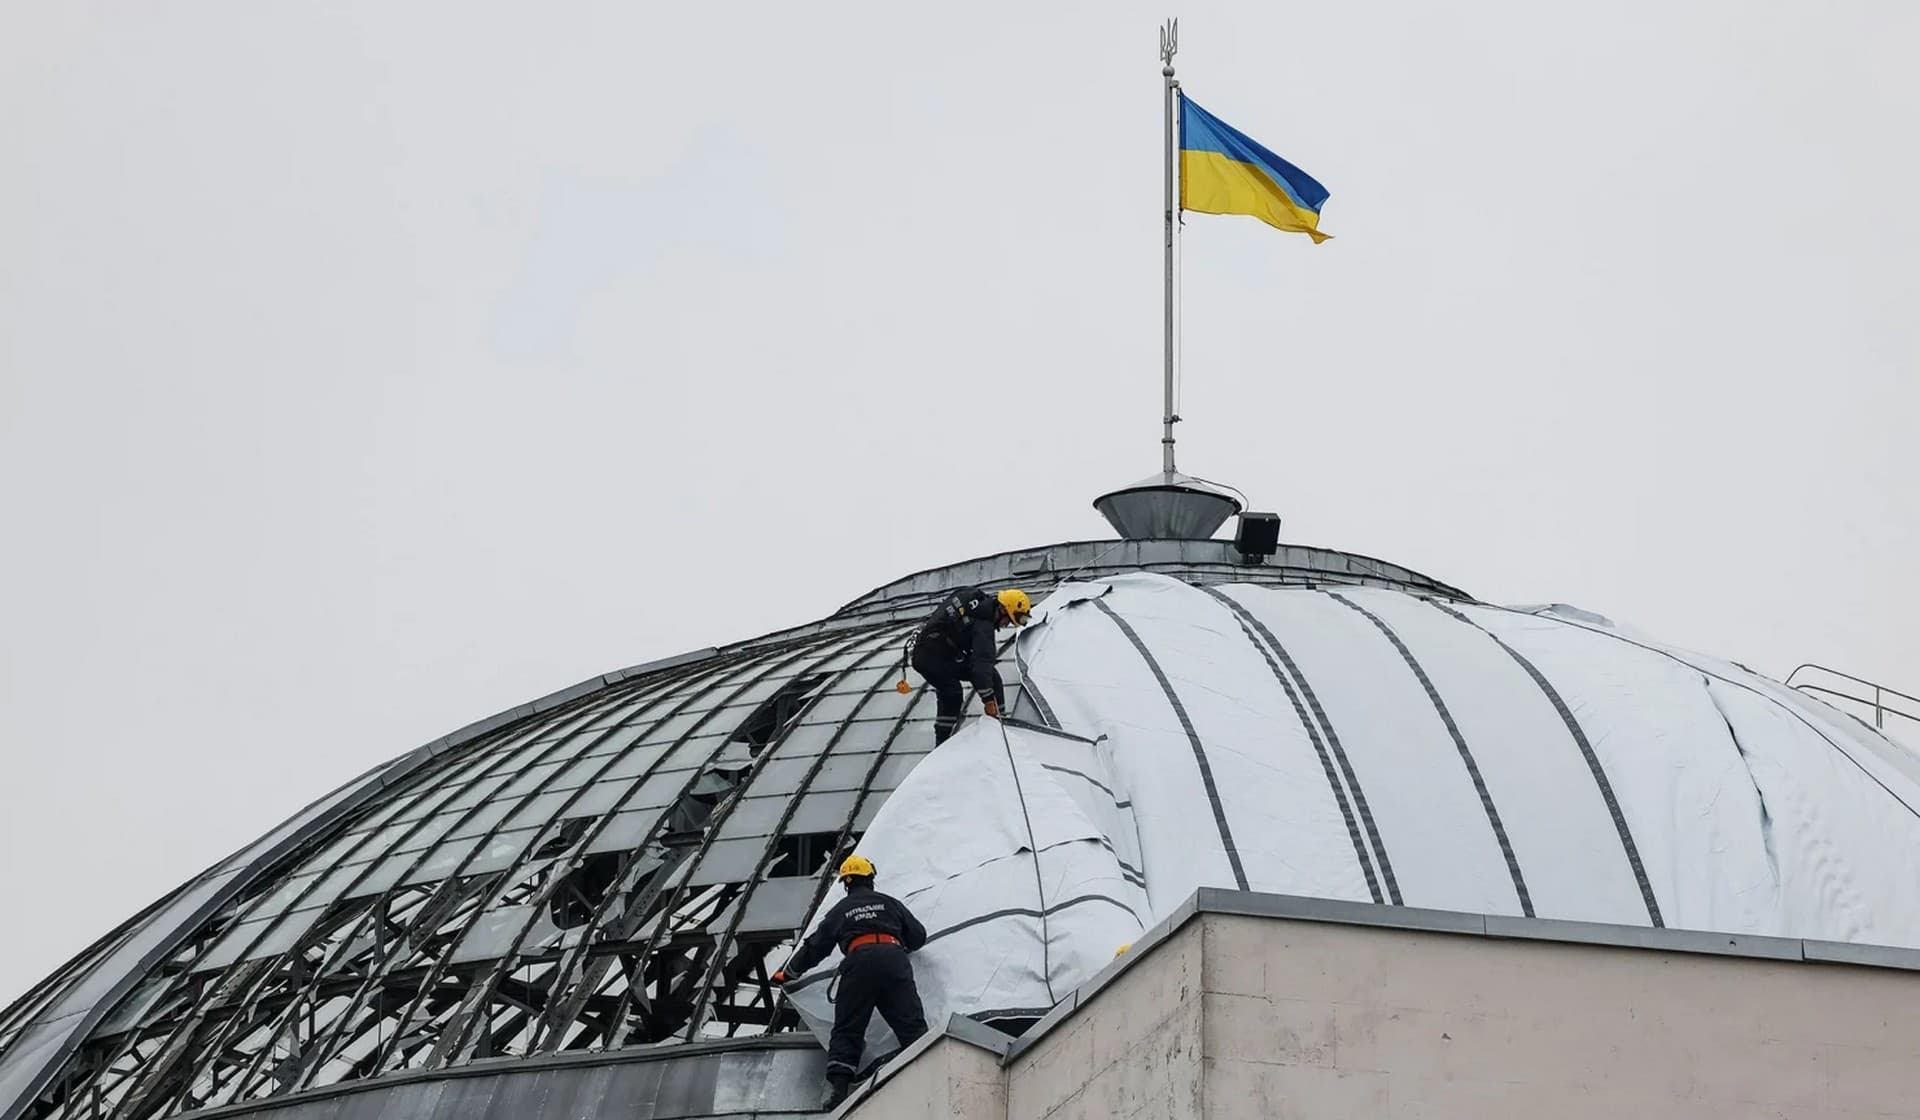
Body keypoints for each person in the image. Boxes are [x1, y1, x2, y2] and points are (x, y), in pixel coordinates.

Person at [773, 855, 930, 1109]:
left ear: (846, 884)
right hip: (893, 960)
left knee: (848, 1027)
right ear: (871, 879)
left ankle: (838, 1092)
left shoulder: (841, 911)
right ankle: (929, 1075)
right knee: (911, 1025)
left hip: (859, 964)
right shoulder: (890, 904)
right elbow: (918, 936)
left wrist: (788, 973)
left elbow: (816, 946)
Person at [907, 587, 1033, 745]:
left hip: (936, 653)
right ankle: (943, 744)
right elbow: (981, 665)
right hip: (931, 658)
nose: (1006, 624)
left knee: (990, 678)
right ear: (1002, 609)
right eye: (1007, 619)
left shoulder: (977, 603)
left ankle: (1000, 727)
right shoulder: (984, 625)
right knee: (952, 692)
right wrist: (988, 700)